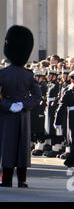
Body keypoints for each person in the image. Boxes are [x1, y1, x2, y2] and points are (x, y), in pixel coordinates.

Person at [0, 26, 41, 188]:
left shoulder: (2, 74)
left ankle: (6, 179)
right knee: (23, 147)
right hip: (23, 115)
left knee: (8, 146)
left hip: (7, 114)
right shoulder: (28, 75)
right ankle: (22, 180)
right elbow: (37, 96)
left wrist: (9, 106)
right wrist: (23, 105)